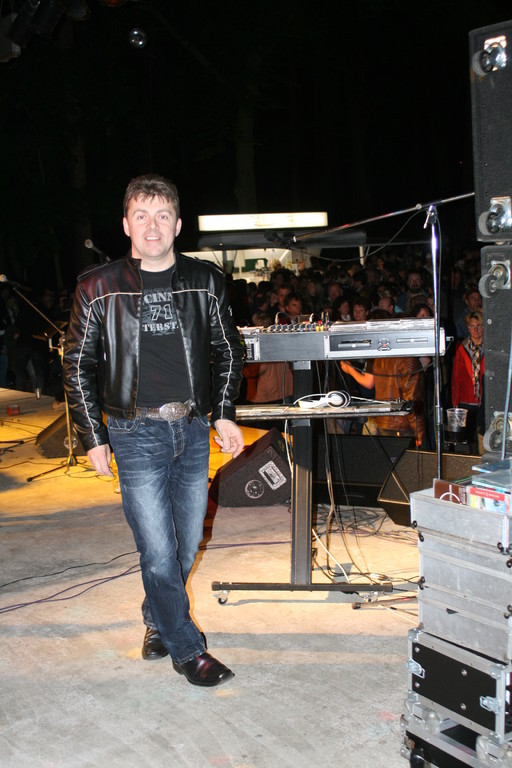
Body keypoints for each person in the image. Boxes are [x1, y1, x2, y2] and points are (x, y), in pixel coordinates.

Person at [63, 174, 245, 687]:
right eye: (141, 215)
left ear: (177, 224)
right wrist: (93, 437)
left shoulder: (206, 280)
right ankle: (188, 651)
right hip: (133, 432)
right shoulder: (97, 287)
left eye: (162, 215)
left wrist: (223, 411)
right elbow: (77, 364)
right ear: (126, 224)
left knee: (185, 547)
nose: (152, 226)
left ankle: (156, 619)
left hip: (192, 428)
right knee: (159, 551)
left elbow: (229, 349)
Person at [451, 311, 485, 453]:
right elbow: (456, 377)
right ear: (468, 328)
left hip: (484, 400)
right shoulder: (462, 348)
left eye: (479, 326)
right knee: (469, 439)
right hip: (467, 399)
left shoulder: (489, 347)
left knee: (483, 435)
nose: (475, 330)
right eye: (472, 326)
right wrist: (455, 402)